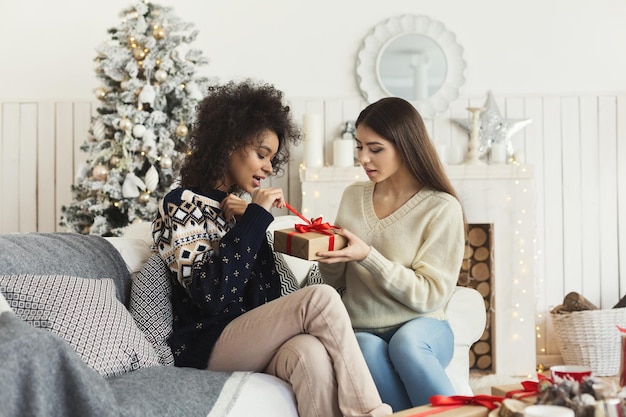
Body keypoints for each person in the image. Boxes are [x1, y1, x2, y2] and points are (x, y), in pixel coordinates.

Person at [151, 79, 392, 417]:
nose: (268, 167)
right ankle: (370, 412)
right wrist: (256, 218)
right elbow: (212, 295)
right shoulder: (182, 203)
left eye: (271, 158)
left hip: (248, 338)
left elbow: (264, 296)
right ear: (227, 144)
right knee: (320, 299)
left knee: (308, 352)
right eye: (261, 154)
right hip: (205, 344)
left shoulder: (239, 209)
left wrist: (251, 218)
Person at [317, 97, 467, 411]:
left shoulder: (441, 208)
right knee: (362, 346)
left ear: (405, 145)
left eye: (375, 148)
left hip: (424, 325)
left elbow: (430, 296)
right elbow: (337, 282)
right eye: (359, 147)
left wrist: (367, 256)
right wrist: (328, 253)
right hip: (364, 327)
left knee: (407, 344)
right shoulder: (352, 196)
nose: (363, 158)